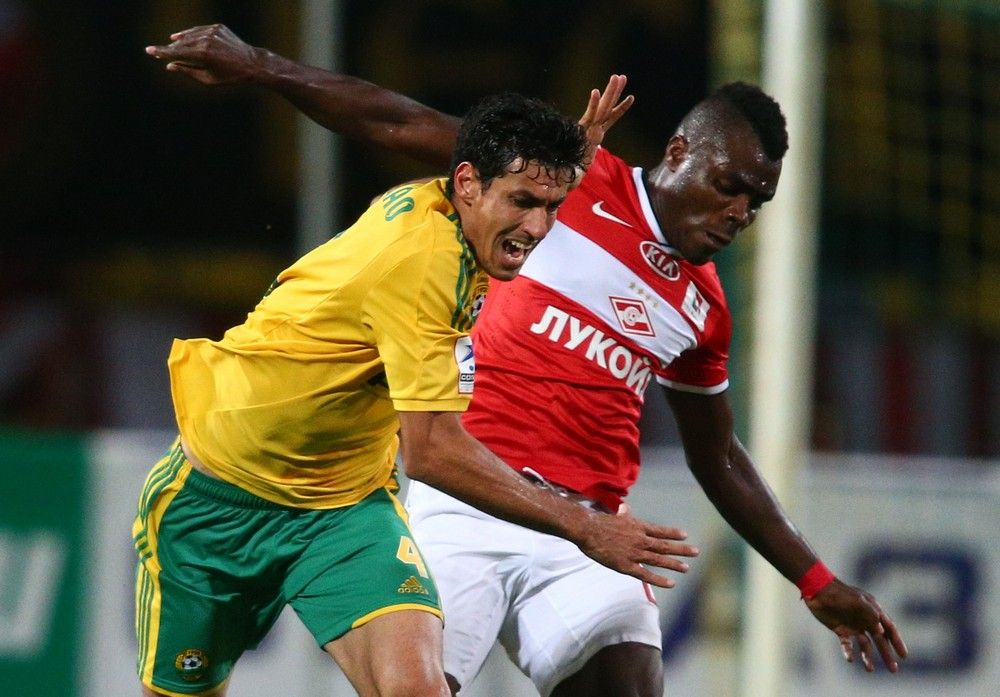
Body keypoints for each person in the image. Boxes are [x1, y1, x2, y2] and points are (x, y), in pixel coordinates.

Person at [146, 24, 909, 697]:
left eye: (756, 201)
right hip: (465, 499)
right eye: (730, 186)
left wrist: (814, 578)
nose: (740, 212)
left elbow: (719, 456)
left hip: (588, 534)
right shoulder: (559, 181)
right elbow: (394, 119)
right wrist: (263, 66)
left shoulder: (705, 308)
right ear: (679, 152)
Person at [133, 54, 698, 697]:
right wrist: (587, 527)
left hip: (341, 510)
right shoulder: (424, 265)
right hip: (218, 503)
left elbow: (399, 123)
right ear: (468, 183)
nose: (540, 227)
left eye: (553, 205)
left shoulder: (460, 213)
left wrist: (568, 159)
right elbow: (429, 452)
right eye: (523, 202)